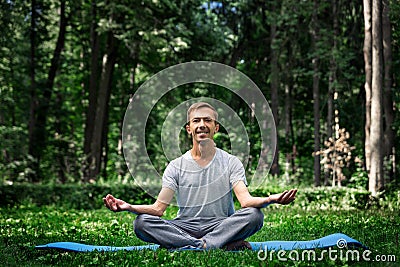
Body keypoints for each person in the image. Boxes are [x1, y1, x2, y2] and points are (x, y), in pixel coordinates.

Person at [103, 102, 297, 250]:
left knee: (255, 216)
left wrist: (271, 199)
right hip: (184, 226)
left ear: (216, 128)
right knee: (142, 222)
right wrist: (129, 207)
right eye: (196, 120)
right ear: (189, 128)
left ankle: (195, 245)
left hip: (221, 224)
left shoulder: (231, 162)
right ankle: (211, 245)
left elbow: (245, 201)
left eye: (208, 120)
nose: (202, 125)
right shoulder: (175, 166)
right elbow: (158, 209)